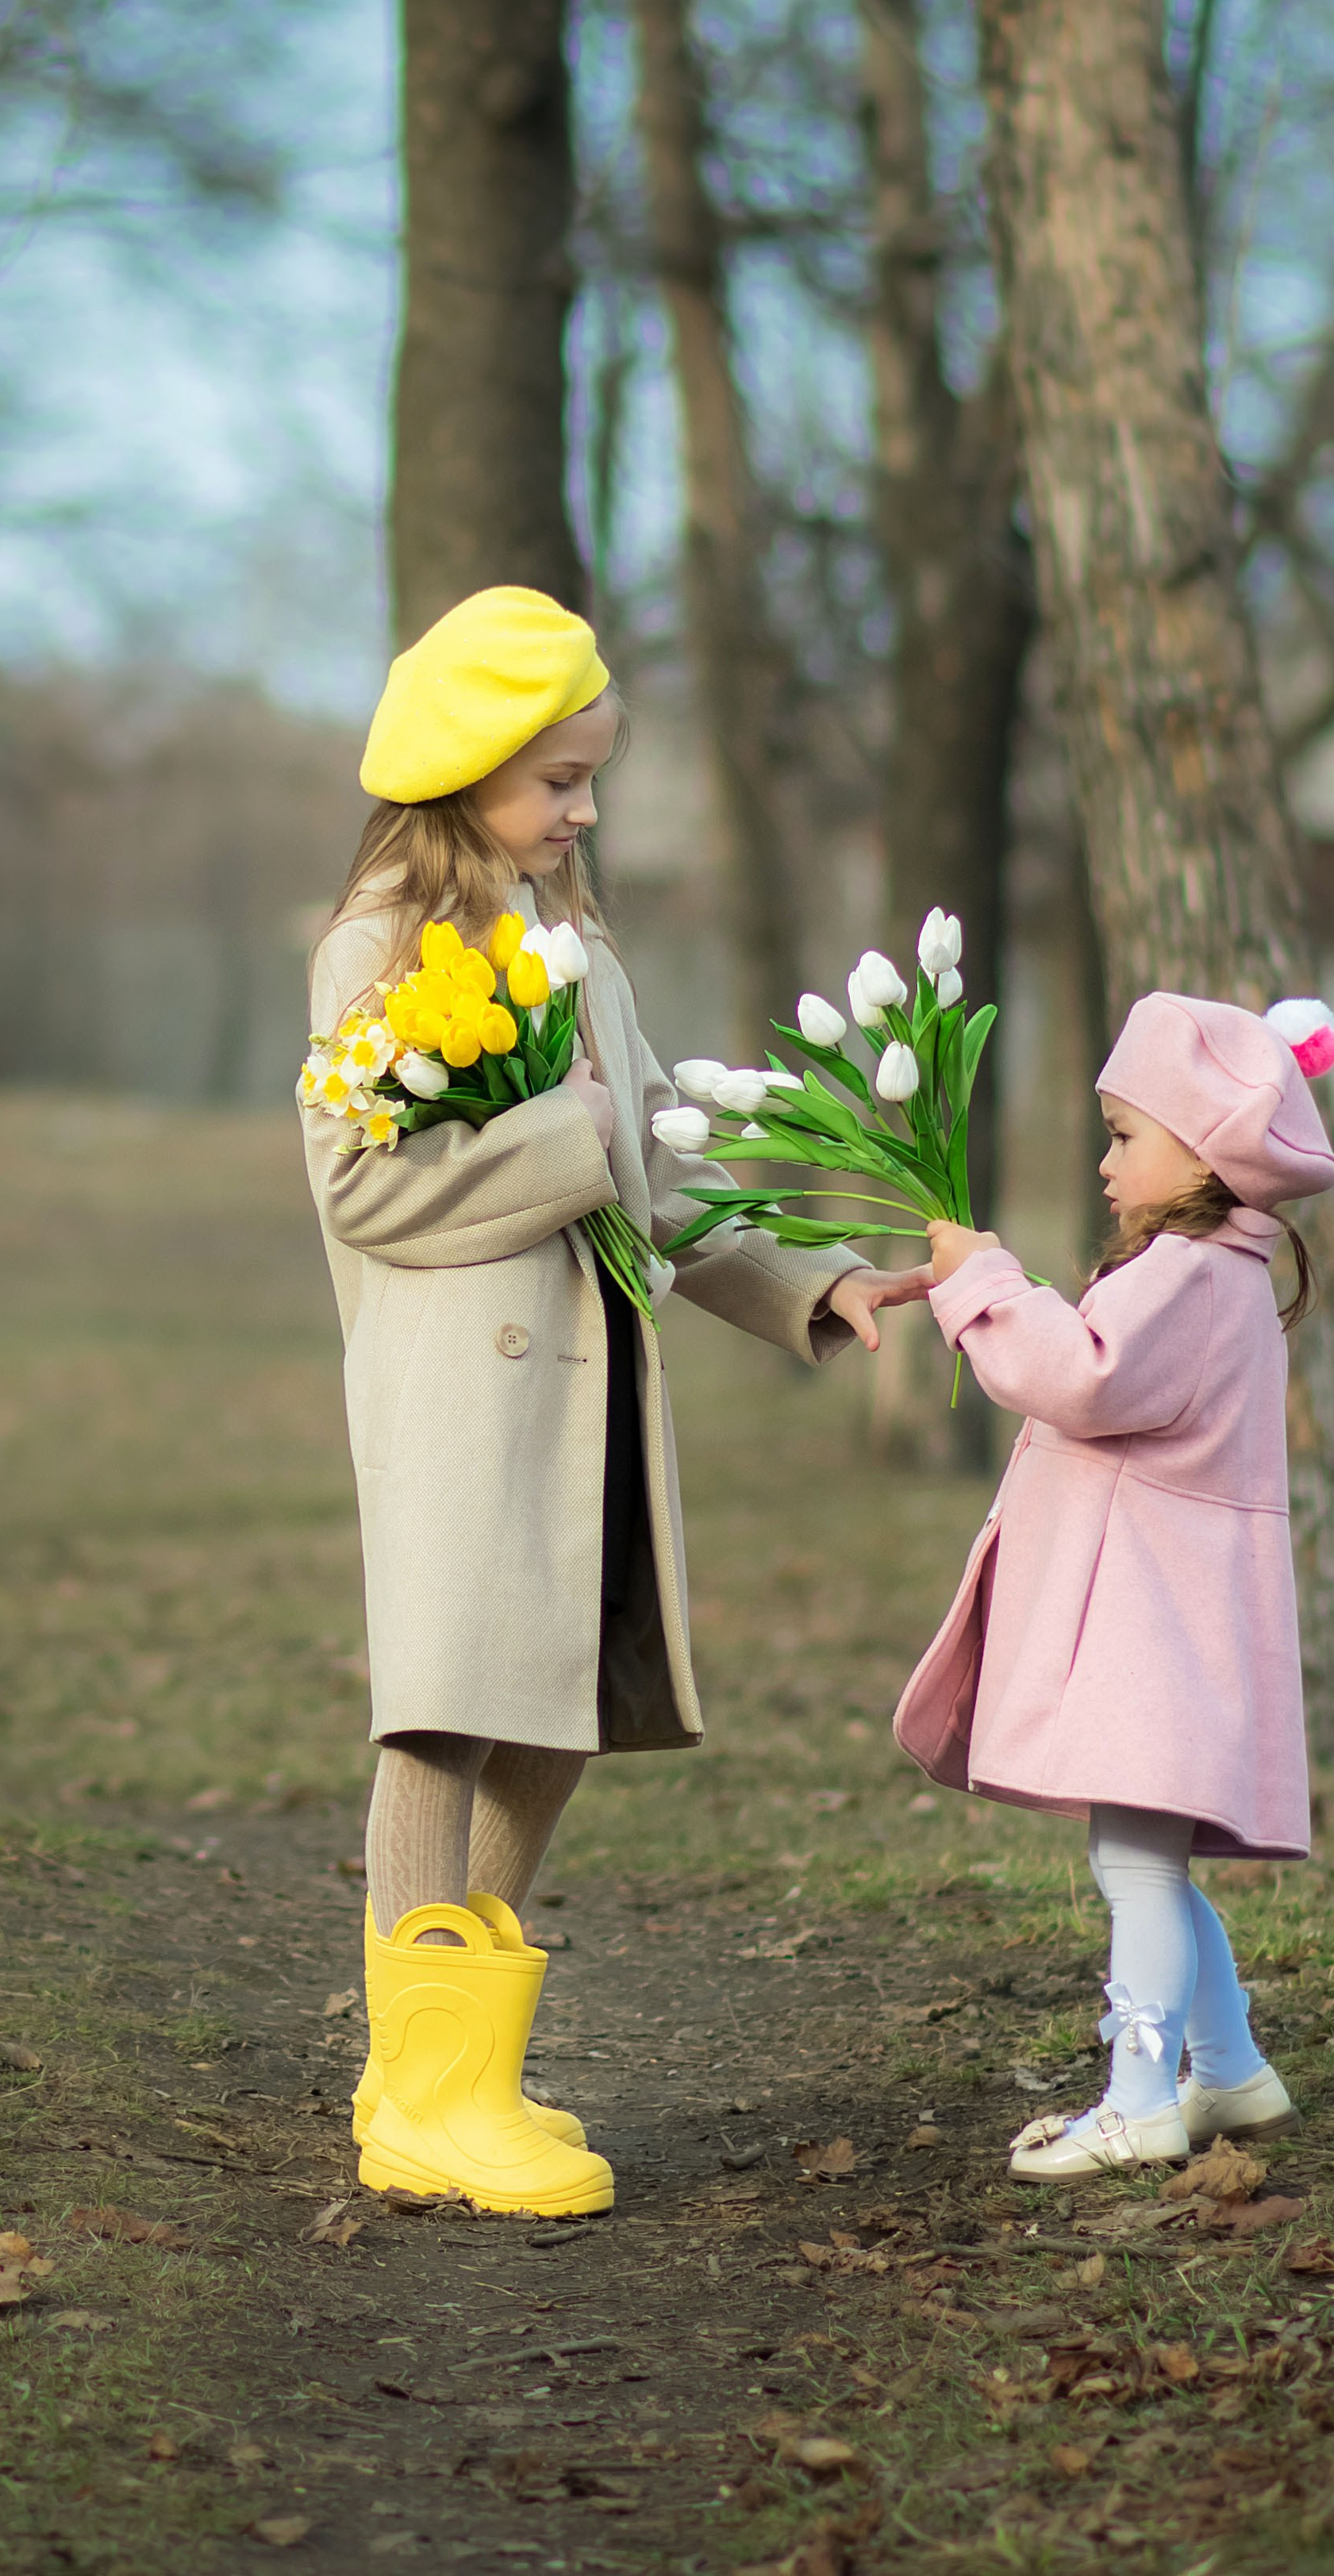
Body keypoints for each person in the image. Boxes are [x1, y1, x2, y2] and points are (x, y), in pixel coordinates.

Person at [301, 585, 920, 2219]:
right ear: (466, 771)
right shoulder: (379, 943)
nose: (584, 811)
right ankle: (427, 2100)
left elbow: (658, 1158)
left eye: (591, 779)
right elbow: (363, 1186)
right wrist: (566, 1135)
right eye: (558, 779)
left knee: (552, 1716)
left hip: (589, 1401)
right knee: (443, 1714)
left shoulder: (574, 948)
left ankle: (446, 2062)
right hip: (461, 1399)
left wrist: (809, 1282)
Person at [891, 990, 1334, 2179]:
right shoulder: (1209, 1270)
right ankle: (1229, 2067)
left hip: (1154, 1633)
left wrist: (985, 1282)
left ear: (1202, 1153)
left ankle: (1141, 2096)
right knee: (1144, 1865)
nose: (1103, 1161)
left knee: (1137, 1870)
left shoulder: (1187, 1274)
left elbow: (1080, 1378)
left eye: (1124, 1134)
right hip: (1167, 1624)